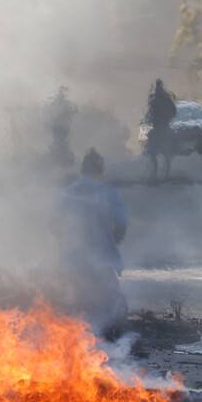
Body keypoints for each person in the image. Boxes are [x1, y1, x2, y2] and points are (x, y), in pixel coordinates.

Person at [60, 148, 128, 337]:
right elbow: (121, 223)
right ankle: (107, 335)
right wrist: (115, 238)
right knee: (109, 298)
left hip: (74, 257)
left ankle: (79, 337)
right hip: (103, 255)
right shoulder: (108, 192)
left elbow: (53, 223)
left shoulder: (68, 193)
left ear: (83, 169)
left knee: (78, 299)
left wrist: (64, 241)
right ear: (100, 170)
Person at [143, 79, 177, 182]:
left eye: (159, 86)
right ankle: (157, 174)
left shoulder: (165, 99)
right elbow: (149, 114)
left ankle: (164, 174)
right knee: (154, 152)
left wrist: (166, 118)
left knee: (163, 153)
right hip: (158, 128)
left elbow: (173, 112)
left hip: (163, 127)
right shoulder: (156, 99)